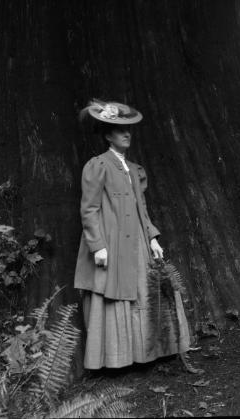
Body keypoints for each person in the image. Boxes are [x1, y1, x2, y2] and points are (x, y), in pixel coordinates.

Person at [74, 100, 191, 370]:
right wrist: (97, 246)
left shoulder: (135, 169)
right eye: (119, 130)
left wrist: (152, 237)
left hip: (137, 239)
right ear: (107, 135)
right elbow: (89, 209)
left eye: (128, 129)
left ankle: (150, 352)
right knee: (114, 292)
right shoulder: (98, 165)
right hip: (111, 241)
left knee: (146, 289)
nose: (127, 134)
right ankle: (119, 358)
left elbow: (143, 209)